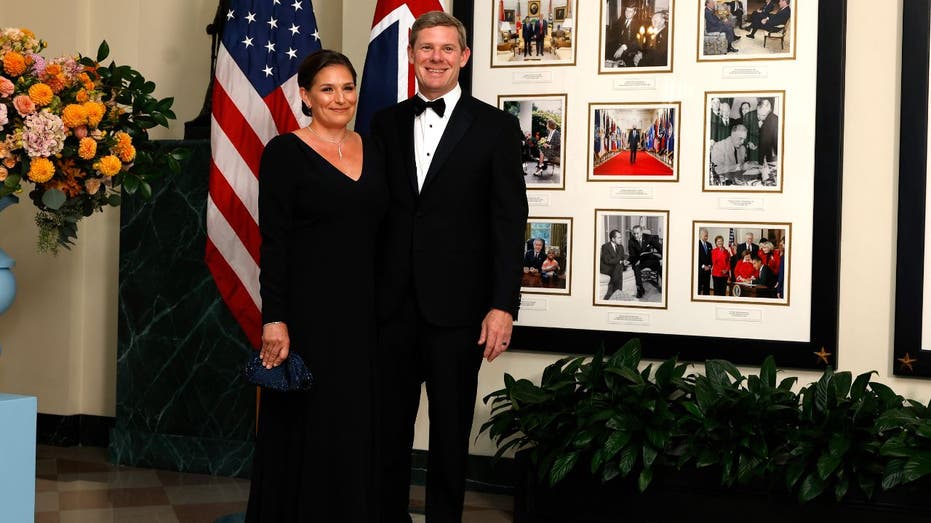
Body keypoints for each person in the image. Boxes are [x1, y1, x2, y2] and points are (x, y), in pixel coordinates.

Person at [369, 11, 528, 522]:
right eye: (425, 48)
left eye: (446, 49)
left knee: (449, 436)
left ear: (463, 56)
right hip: (390, 306)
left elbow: (509, 223)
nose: (435, 57)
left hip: (459, 311)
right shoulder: (383, 123)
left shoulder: (497, 127)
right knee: (386, 433)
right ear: (412, 55)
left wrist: (503, 306)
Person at [247, 50, 386, 523]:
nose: (340, 98)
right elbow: (275, 243)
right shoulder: (284, 153)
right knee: (304, 427)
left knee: (353, 426)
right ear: (305, 96)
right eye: (327, 89)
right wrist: (275, 318)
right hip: (306, 316)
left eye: (348, 87)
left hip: (365, 315)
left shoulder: (376, 150)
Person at [628, 224, 663, 298]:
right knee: (636, 267)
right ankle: (640, 289)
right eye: (634, 233)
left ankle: (664, 285)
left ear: (641, 232)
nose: (636, 235)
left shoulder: (648, 237)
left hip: (649, 259)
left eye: (637, 233)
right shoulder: (631, 241)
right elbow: (632, 255)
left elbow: (660, 248)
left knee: (661, 264)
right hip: (639, 261)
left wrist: (663, 258)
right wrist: (637, 260)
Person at [600, 229, 629, 300]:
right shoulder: (605, 246)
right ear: (613, 239)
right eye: (619, 238)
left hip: (616, 267)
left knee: (618, 267)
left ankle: (614, 294)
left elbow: (622, 258)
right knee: (618, 266)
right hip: (607, 267)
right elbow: (607, 260)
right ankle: (618, 294)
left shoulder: (620, 247)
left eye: (621, 237)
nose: (621, 239)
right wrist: (620, 261)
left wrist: (624, 261)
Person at [756, 97, 779, 164]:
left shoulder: (772, 121)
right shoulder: (776, 118)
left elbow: (765, 144)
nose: (759, 117)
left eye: (763, 115)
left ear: (769, 111)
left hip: (770, 156)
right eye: (758, 114)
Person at [697, 228, 713, 295]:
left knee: (706, 289)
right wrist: (703, 266)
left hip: (707, 271)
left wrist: (709, 265)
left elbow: (711, 257)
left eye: (707, 235)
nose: (706, 237)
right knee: (698, 288)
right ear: (700, 235)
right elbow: (696, 257)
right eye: (705, 235)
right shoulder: (696, 244)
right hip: (700, 271)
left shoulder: (709, 245)